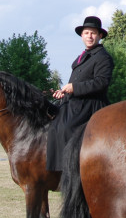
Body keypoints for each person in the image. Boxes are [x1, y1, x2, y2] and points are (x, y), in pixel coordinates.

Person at [46, 15, 114, 172]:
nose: (89, 36)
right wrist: (63, 93)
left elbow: (101, 83)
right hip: (74, 102)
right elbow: (72, 84)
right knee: (52, 124)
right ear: (82, 35)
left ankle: (70, 170)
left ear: (100, 35)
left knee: (66, 127)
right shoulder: (81, 58)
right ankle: (54, 168)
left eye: (93, 33)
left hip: (91, 104)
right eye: (86, 33)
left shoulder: (103, 57)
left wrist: (74, 87)